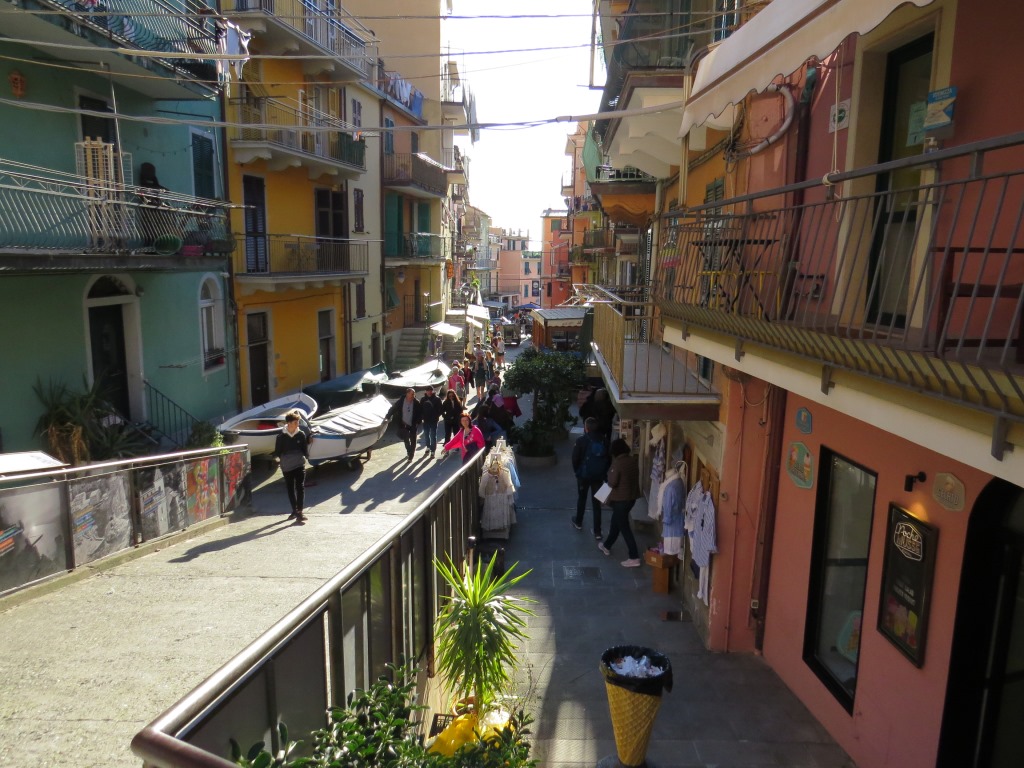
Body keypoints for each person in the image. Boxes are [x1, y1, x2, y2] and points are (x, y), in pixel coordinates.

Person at [598, 438, 643, 567]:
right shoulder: (632, 461)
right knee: (615, 522)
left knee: (624, 527)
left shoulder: (617, 464)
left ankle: (634, 557)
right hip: (631, 498)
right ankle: (606, 546)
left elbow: (612, 482)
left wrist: (603, 497)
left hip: (620, 500)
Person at [571, 417, 610, 540]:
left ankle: (578, 521)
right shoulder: (604, 441)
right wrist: (603, 472)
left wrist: (578, 471)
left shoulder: (581, 440)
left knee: (582, 498)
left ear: (586, 428)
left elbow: (575, 458)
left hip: (583, 475)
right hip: (598, 476)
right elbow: (608, 459)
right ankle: (597, 531)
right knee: (596, 503)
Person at [273, 410, 309, 523]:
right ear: (288, 423)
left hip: (299, 464)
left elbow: (304, 449)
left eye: (298, 421)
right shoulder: (281, 437)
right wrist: (279, 460)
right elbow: (277, 452)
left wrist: (306, 456)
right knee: (290, 488)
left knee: (300, 487)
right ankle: (294, 510)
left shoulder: (301, 434)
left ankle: (299, 512)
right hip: (287, 466)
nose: (298, 423)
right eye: (295, 422)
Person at [389, 388, 422, 461]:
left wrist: (418, 422)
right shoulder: (401, 401)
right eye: (412, 394)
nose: (414, 395)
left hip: (413, 424)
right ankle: (409, 451)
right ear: (407, 394)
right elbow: (393, 408)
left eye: (414, 394)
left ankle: (411, 455)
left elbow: (420, 413)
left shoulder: (416, 402)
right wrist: (388, 416)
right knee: (406, 439)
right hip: (403, 423)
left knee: (413, 439)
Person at [419, 385, 443, 458]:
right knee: (426, 435)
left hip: (434, 420)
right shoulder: (423, 399)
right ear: (425, 391)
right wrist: (422, 417)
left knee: (433, 436)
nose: (429, 392)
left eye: (430, 390)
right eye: (428, 390)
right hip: (426, 420)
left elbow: (440, 409)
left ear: (433, 391)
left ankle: (433, 451)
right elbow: (420, 409)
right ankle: (428, 447)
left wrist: (436, 416)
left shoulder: (437, 399)